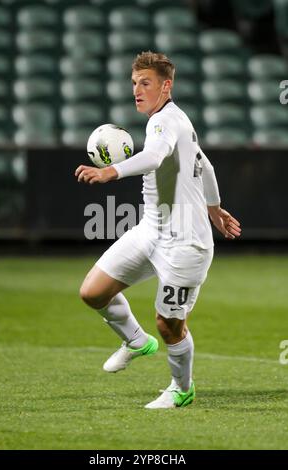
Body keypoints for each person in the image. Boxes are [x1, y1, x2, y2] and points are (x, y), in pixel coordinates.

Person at [75, 51, 241, 409]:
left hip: (186, 243)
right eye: (134, 83)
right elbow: (206, 165)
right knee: (92, 292)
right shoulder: (176, 119)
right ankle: (136, 341)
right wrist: (214, 206)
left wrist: (109, 172)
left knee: (169, 325)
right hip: (151, 229)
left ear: (166, 86)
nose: (137, 89)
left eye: (145, 83)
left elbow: (153, 157)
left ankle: (182, 388)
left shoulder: (163, 122)